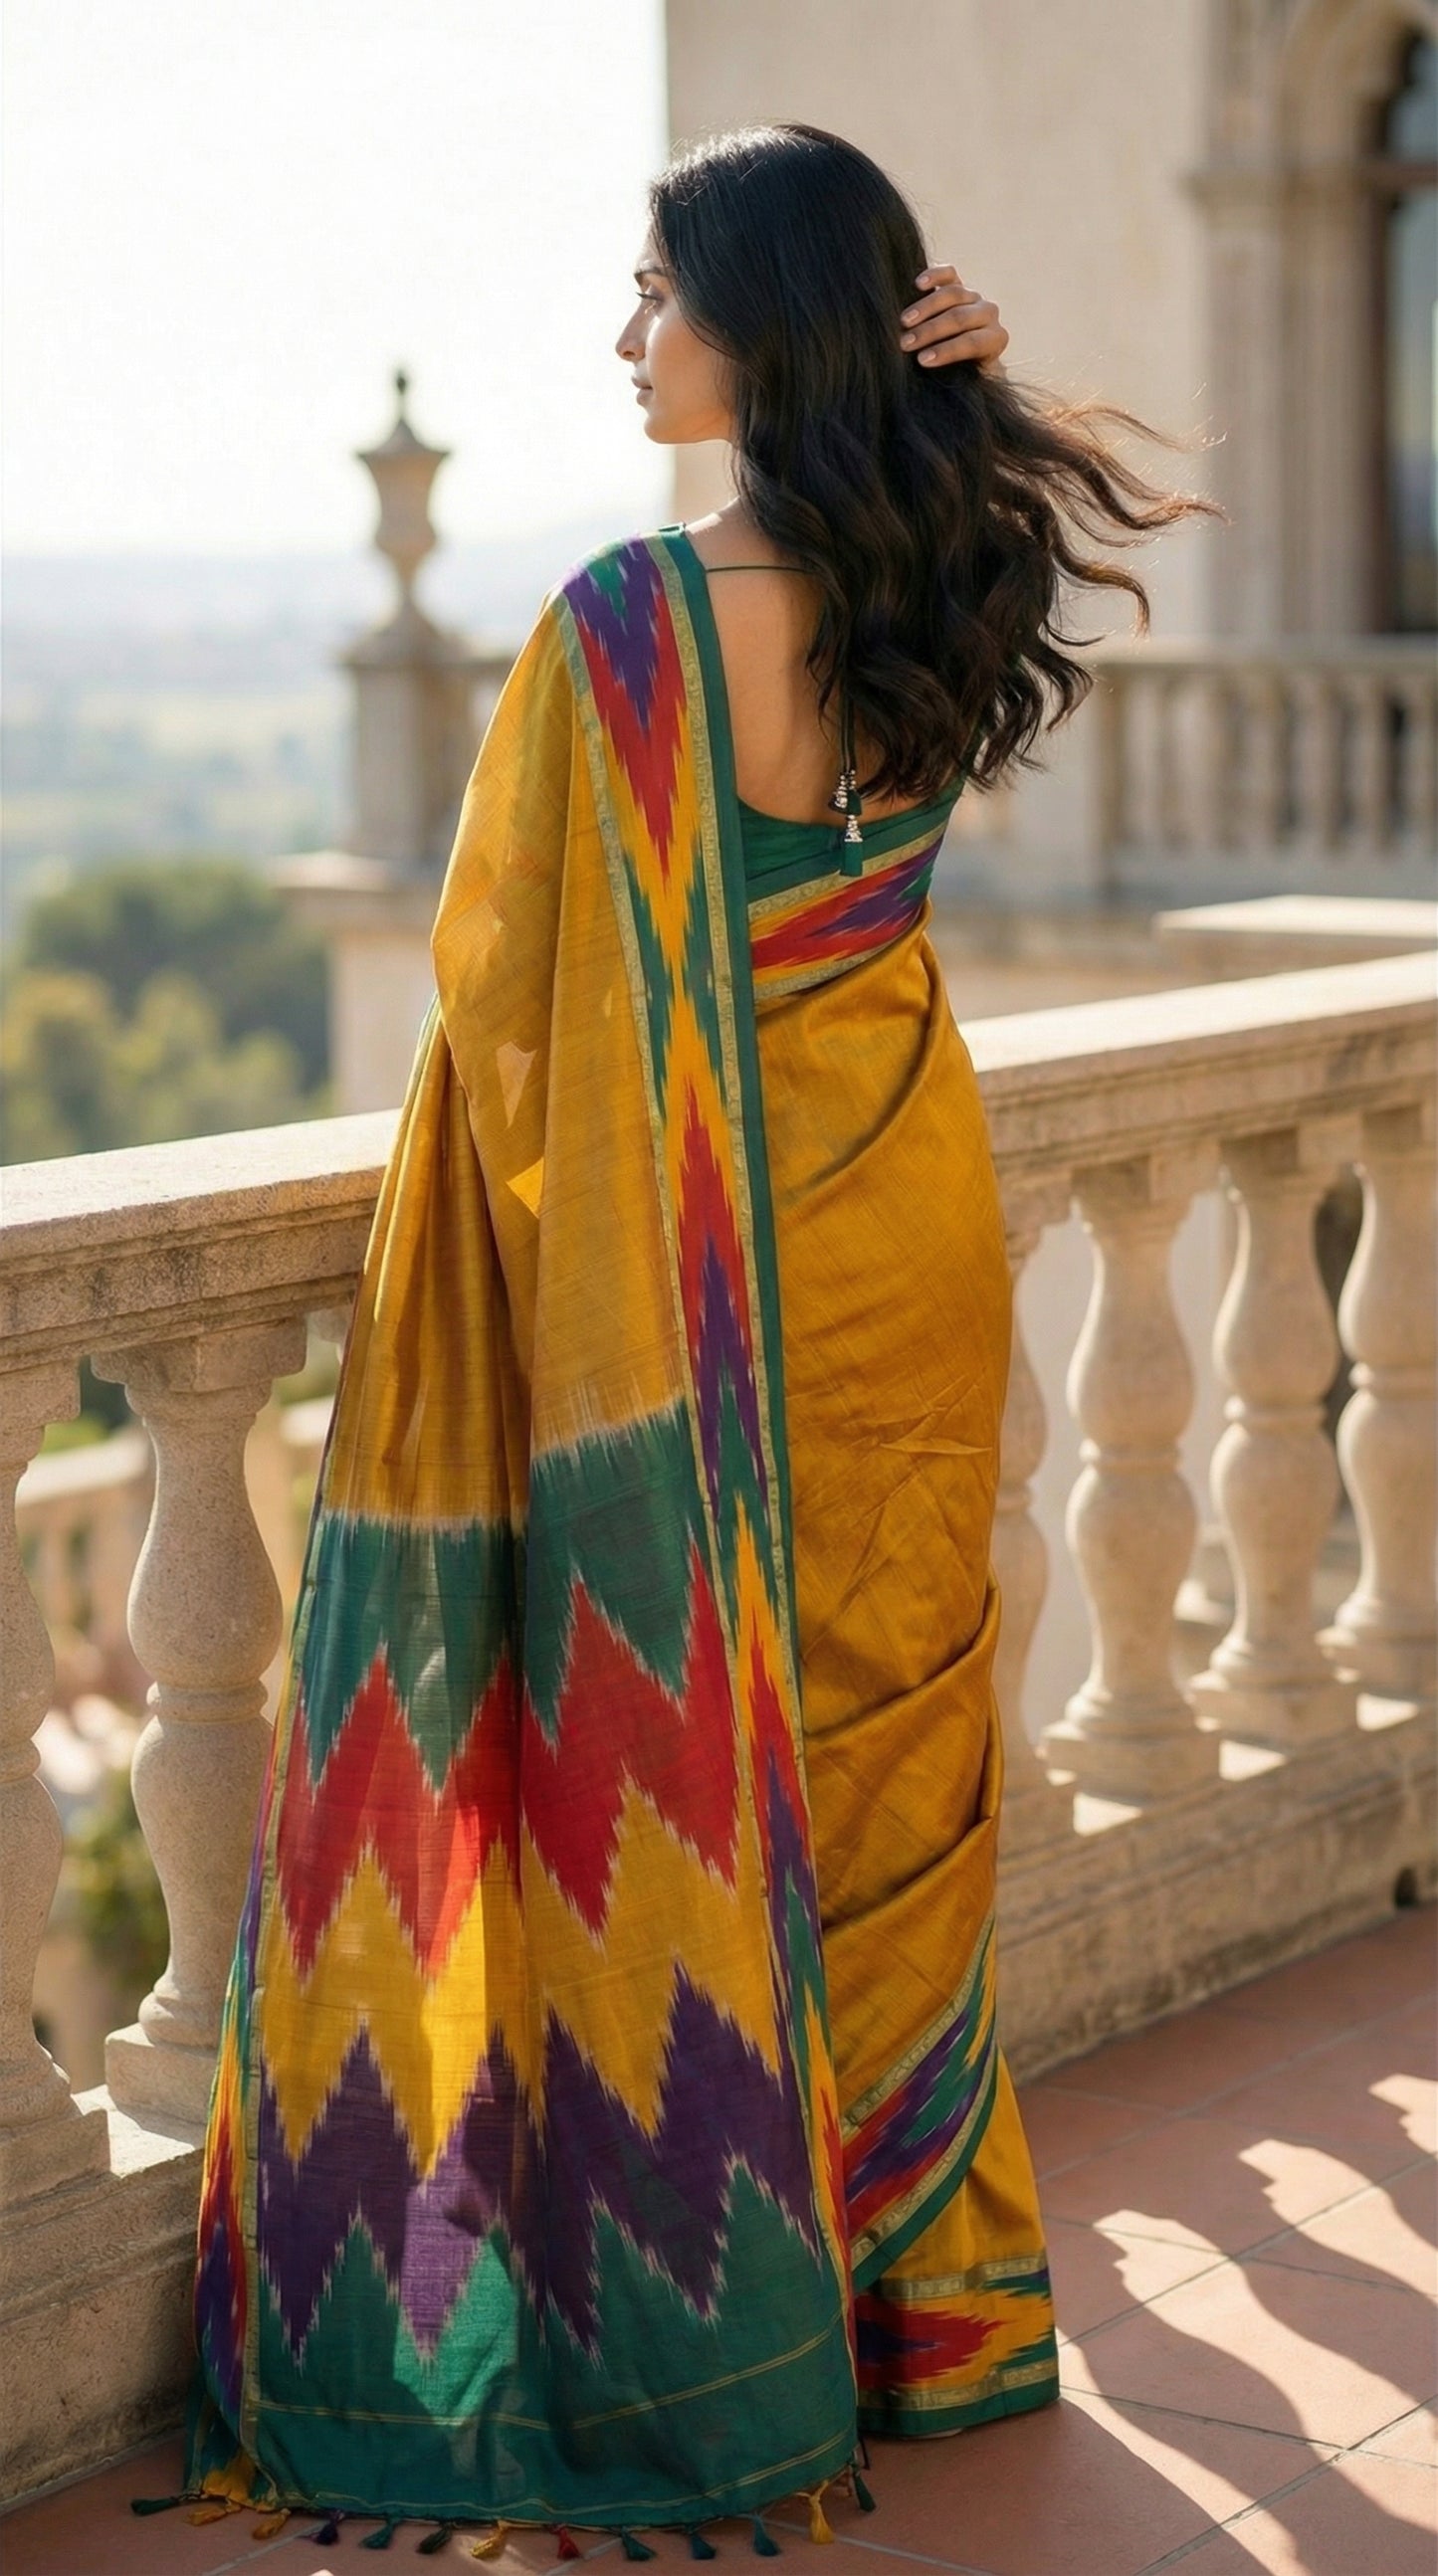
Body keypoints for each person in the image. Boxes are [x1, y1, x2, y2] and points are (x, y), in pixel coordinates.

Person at [164, 122, 1211, 2556]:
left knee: (723, 1756)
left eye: (653, 292)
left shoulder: (629, 626)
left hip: (716, 1282)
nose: (625, 338)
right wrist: (958, 357)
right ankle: (918, 2293)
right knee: (892, 1755)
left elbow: (507, 997)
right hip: (912, 1233)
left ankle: (724, 2304)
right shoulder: (947, 557)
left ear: (752, 319)